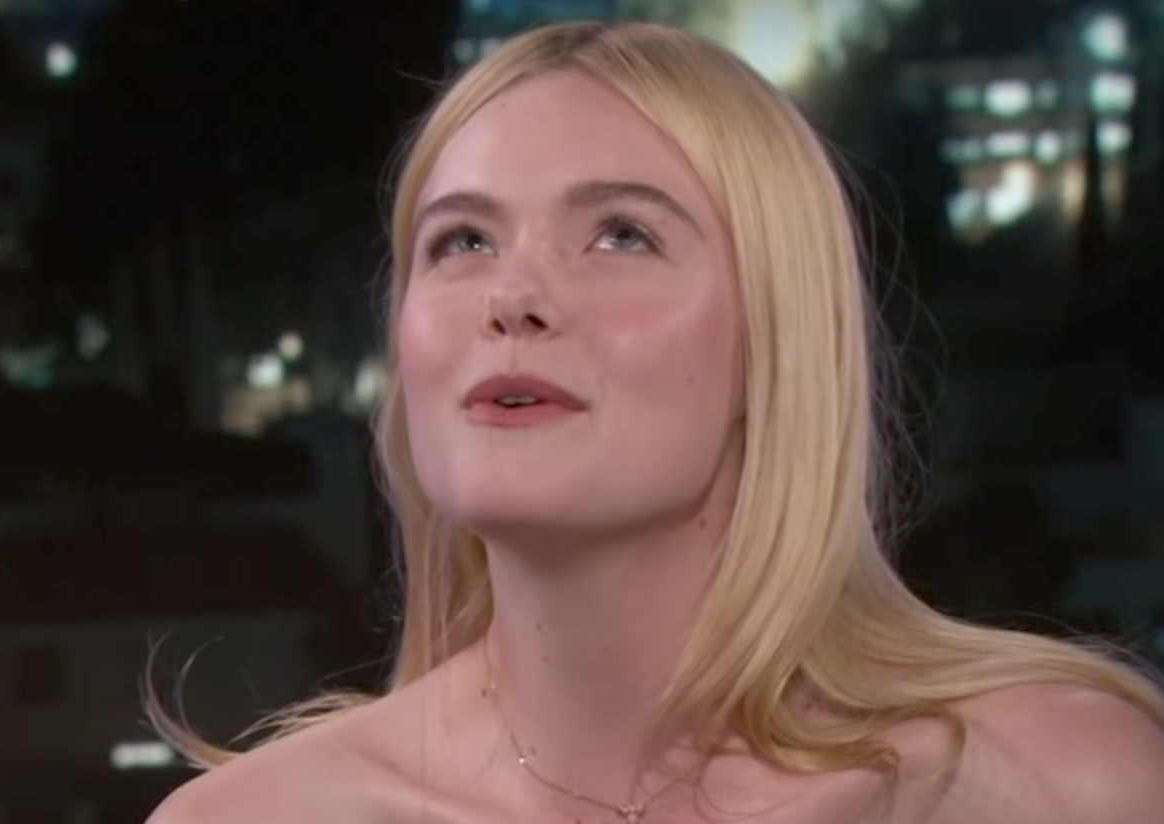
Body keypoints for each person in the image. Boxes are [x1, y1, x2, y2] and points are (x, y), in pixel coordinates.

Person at [147, 20, 1164, 824]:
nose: (512, 296)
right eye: (461, 240)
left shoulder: (1059, 784)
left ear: (775, 335)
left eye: (621, 234)